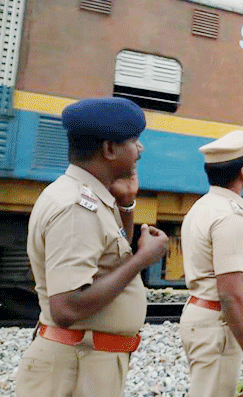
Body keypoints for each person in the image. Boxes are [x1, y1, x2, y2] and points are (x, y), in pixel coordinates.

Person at [17, 97, 169, 397]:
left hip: (83, 364)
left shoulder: (90, 197)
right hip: (74, 371)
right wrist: (143, 259)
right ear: (109, 149)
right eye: (134, 141)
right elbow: (67, 307)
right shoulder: (77, 207)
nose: (140, 149)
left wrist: (126, 206)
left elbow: (107, 261)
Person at [180, 130, 243, 397]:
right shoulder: (229, 217)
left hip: (205, 319)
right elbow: (231, 294)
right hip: (218, 325)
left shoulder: (202, 207)